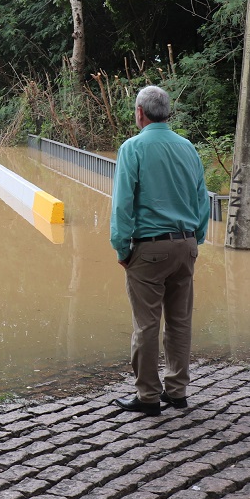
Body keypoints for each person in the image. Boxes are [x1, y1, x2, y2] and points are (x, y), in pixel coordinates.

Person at [109, 85, 210, 416]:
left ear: (139, 112)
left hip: (150, 249)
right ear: (168, 113)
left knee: (147, 323)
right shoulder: (187, 148)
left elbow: (123, 203)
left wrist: (122, 248)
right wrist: (197, 238)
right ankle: (177, 391)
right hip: (186, 243)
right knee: (180, 320)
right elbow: (201, 197)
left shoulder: (133, 148)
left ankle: (148, 395)